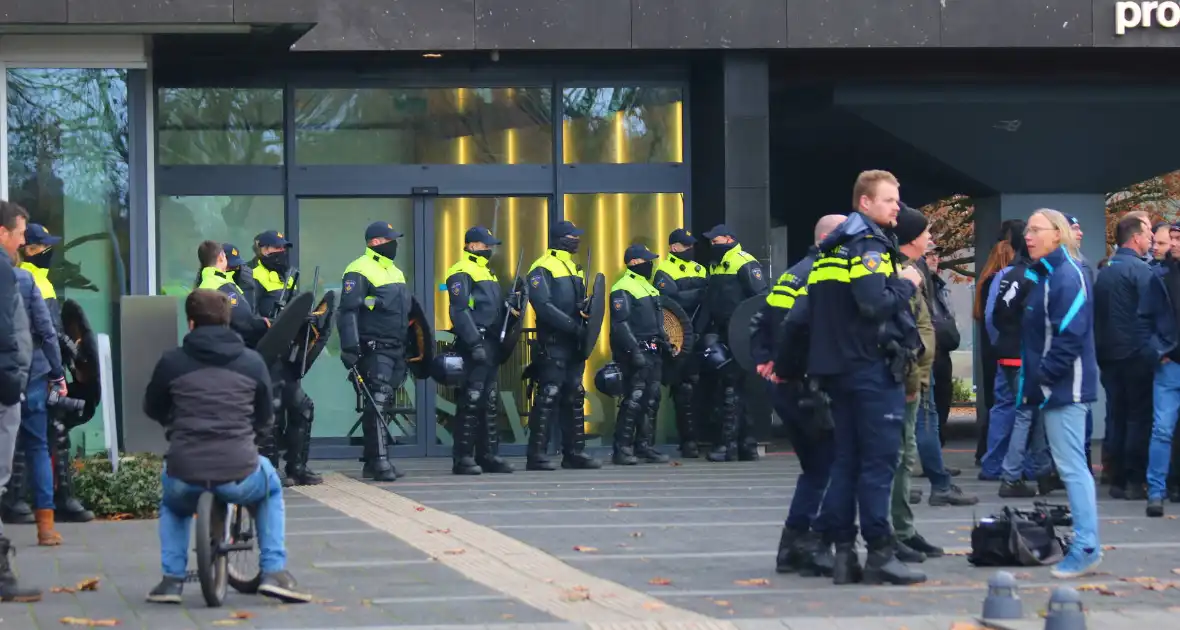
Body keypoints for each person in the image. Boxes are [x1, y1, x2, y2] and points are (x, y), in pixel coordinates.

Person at [143, 289, 312, 604]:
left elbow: (152, 407)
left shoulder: (171, 362)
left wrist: (174, 422)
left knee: (173, 504)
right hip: (239, 470)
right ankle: (274, 571)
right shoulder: (251, 362)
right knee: (271, 488)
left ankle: (171, 580)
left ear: (190, 323)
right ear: (228, 322)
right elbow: (265, 417)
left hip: (185, 471)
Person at [802, 170, 925, 586]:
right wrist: (906, 283)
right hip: (870, 370)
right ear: (865, 203)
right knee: (878, 463)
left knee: (847, 463)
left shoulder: (832, 247)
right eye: (889, 200)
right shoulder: (869, 244)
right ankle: (879, 552)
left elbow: (812, 314)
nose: (897, 207)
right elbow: (873, 304)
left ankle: (841, 552)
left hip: (839, 370)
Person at [756, 214, 844, 577]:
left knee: (815, 470)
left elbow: (760, 321)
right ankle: (809, 544)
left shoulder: (793, 273)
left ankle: (792, 546)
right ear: (830, 238)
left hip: (787, 387)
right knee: (830, 467)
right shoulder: (821, 275)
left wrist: (766, 361)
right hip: (807, 387)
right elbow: (800, 329)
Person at [1020, 208, 1102, 579]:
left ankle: (1086, 547)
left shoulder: (1066, 275)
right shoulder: (1050, 274)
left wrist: (1043, 379)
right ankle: (1085, 544)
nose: (1028, 235)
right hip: (1056, 387)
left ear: (1058, 234)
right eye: (1027, 230)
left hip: (1064, 389)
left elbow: (1069, 335)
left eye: (1035, 230)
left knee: (1073, 470)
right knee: (1072, 469)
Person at [3, 223, 93, 525]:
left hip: (30, 367)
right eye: (45, 247)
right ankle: (45, 503)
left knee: (35, 433)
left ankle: (26, 501)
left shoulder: (34, 278)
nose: (50, 252)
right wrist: (66, 364)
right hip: (37, 369)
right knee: (43, 435)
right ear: (28, 249)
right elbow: (48, 331)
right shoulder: (32, 280)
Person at [888, 207, 946, 564]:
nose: (931, 240)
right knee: (899, 457)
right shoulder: (903, 275)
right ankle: (898, 533)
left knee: (904, 456)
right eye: (927, 233)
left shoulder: (914, 271)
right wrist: (914, 381)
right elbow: (906, 332)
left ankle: (904, 530)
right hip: (906, 382)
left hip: (914, 379)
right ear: (912, 238)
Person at [1093, 211, 1163, 501]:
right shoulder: (1141, 271)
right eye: (1148, 236)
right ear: (1136, 238)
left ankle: (1116, 476)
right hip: (1135, 354)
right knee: (1138, 418)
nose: (1151, 241)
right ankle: (1135, 479)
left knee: (1116, 415)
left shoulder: (1105, 270)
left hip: (1108, 355)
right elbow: (1152, 312)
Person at [985, 223, 1056, 498]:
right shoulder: (1035, 276)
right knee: (1027, 414)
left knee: (1031, 412)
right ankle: (1012, 475)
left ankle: (1041, 469)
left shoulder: (1009, 274)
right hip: (1025, 353)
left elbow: (998, 316)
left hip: (1009, 350)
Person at [524, 220, 601, 471]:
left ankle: (574, 453)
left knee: (574, 395)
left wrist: (584, 311)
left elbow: (574, 303)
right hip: (554, 342)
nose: (576, 239)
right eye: (571, 236)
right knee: (548, 396)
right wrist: (572, 325)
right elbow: (544, 306)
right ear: (558, 238)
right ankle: (536, 454)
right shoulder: (542, 267)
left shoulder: (573, 267)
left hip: (574, 343)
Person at [338, 222, 410, 482]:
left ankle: (373, 460)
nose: (395, 244)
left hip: (396, 347)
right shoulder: (358, 268)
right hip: (374, 347)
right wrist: (350, 348)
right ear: (376, 242)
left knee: (385, 403)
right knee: (377, 400)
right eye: (390, 239)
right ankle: (379, 462)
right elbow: (347, 310)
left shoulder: (395, 271)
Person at [249, 231, 321, 487]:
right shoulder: (250, 275)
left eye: (283, 248)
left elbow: (294, 311)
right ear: (262, 249)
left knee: (303, 407)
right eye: (275, 249)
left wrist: (308, 318)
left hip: (287, 355)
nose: (281, 253)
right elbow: (250, 318)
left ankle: (297, 466)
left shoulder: (287, 277)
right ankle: (270, 469)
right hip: (265, 355)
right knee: (272, 410)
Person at [444, 226, 514, 475]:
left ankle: (488, 455)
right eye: (486, 246)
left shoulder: (487, 272)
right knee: (471, 399)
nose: (490, 250)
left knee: (489, 400)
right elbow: (459, 311)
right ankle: (463, 457)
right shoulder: (461, 271)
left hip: (492, 343)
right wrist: (474, 343)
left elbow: (492, 308)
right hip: (475, 342)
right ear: (472, 246)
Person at [0, 200, 42, 603]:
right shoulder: (2, 271)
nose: (22, 242)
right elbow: (7, 331)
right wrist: (12, 379)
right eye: (18, 234)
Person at [700, 224, 768, 462]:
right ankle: (746, 445)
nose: (712, 245)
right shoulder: (717, 265)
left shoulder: (743, 261)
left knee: (731, 387)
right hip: (722, 333)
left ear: (729, 238)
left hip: (740, 334)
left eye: (715, 240)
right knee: (735, 388)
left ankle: (727, 446)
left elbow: (761, 299)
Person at [13, 253, 67, 545]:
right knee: (37, 446)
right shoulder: (26, 279)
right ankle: (45, 526)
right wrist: (57, 373)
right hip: (32, 370)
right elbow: (47, 331)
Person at [609, 244, 669, 465]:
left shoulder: (648, 287)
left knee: (651, 399)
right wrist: (634, 351)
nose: (650, 264)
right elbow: (620, 323)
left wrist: (664, 340)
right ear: (634, 262)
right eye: (646, 260)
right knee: (633, 399)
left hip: (654, 351)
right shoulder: (622, 287)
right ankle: (622, 449)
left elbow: (657, 320)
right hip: (634, 351)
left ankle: (645, 446)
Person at [653, 229, 708, 457]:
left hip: (700, 333)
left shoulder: (700, 268)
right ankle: (688, 441)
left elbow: (708, 300)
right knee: (683, 390)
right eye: (686, 246)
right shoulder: (663, 270)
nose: (690, 249)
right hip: (678, 336)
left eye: (691, 245)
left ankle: (703, 438)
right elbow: (672, 300)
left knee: (700, 388)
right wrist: (700, 292)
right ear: (674, 247)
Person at [975, 224, 1019, 475]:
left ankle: (986, 453)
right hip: (1004, 348)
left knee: (996, 402)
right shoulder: (1004, 280)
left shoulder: (985, 281)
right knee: (1009, 404)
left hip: (991, 348)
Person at [195, 241, 270, 347]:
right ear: (221, 257)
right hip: (227, 347)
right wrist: (263, 324)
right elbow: (243, 321)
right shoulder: (224, 286)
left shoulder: (202, 285)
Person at [923, 245, 959, 447]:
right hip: (927, 352)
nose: (934, 258)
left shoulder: (940, 286)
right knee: (928, 406)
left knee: (943, 399)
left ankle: (937, 449)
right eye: (928, 255)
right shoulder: (916, 284)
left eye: (936, 254)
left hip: (943, 352)